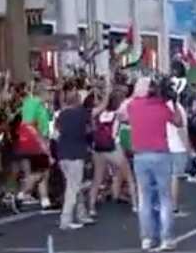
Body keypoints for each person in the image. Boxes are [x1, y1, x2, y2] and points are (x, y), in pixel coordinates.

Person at [127, 76, 182, 251]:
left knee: (145, 198)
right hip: (160, 154)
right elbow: (178, 122)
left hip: (140, 155)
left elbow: (122, 115)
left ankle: (147, 238)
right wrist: (174, 102)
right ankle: (166, 238)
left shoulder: (133, 106)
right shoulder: (162, 107)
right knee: (164, 198)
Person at [88, 87, 136, 213]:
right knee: (129, 176)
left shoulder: (98, 114)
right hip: (113, 147)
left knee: (97, 179)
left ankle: (91, 207)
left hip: (98, 149)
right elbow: (130, 122)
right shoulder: (118, 115)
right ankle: (136, 205)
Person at [53, 90, 93, 230]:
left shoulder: (61, 115)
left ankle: (81, 214)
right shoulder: (82, 114)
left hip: (63, 154)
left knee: (74, 185)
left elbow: (56, 133)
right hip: (76, 154)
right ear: (77, 101)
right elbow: (89, 130)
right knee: (73, 187)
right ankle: (66, 219)